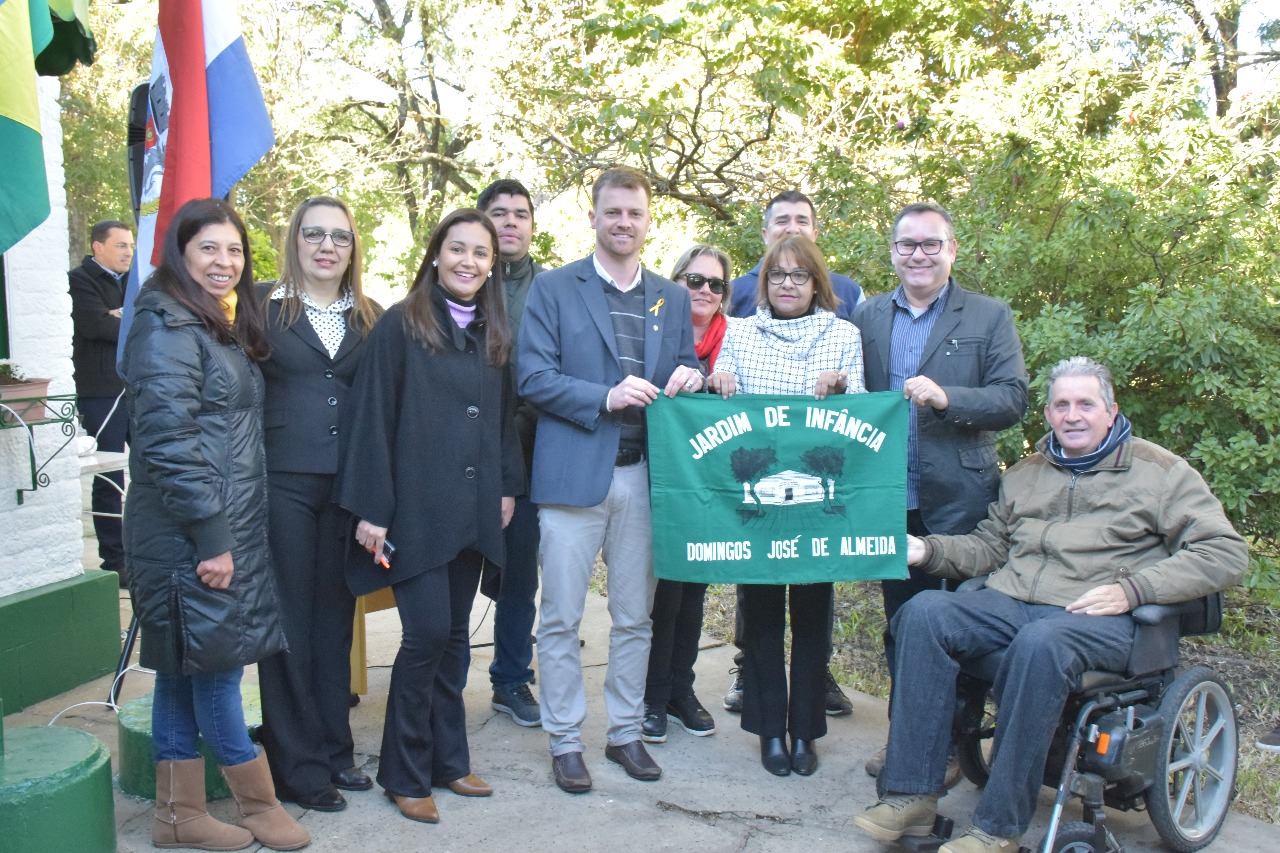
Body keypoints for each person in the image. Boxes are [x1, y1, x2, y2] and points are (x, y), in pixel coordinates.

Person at [853, 357, 1247, 853]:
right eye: (1061, 405)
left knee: (1041, 643)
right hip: (1016, 602)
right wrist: (928, 550)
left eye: (1086, 404)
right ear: (1047, 414)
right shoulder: (1026, 473)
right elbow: (989, 548)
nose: (1073, 415)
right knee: (924, 613)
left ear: (1111, 411)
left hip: (1103, 615)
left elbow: (1226, 552)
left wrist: (1136, 589)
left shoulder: (1161, 473)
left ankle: (998, 829)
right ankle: (910, 794)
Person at [121, 198, 309, 851]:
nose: (224, 262)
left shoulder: (201, 322)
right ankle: (258, 803)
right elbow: (171, 445)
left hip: (207, 530)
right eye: (209, 249)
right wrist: (212, 539)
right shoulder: (168, 330)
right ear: (181, 253)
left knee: (182, 666)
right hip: (190, 538)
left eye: (234, 251)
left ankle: (179, 816)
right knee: (220, 670)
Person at [518, 166, 702, 794]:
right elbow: (533, 378)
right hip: (573, 476)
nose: (624, 222)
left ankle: (624, 732)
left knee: (634, 618)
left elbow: (684, 365)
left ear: (649, 222)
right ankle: (565, 740)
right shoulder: (553, 288)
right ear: (593, 217)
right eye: (613, 212)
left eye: (635, 213)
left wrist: (692, 378)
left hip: (647, 477)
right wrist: (606, 395)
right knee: (561, 618)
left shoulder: (670, 297)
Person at [336, 209, 524, 824]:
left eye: (481, 252)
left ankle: (449, 759)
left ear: (493, 264)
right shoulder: (401, 324)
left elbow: (502, 420)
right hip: (413, 512)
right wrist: (371, 510)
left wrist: (504, 489)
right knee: (423, 638)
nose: (469, 261)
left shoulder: (494, 330)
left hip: (472, 512)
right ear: (437, 255)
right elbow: (370, 420)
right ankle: (404, 771)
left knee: (451, 644)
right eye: (458, 249)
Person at [851, 202, 1027, 778]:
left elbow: (1012, 399)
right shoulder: (868, 316)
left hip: (960, 501)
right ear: (893, 252)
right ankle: (908, 737)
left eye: (930, 244)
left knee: (959, 624)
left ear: (952, 249)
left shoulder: (987, 316)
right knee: (902, 624)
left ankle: (953, 743)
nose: (918, 255)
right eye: (906, 245)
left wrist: (949, 398)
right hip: (886, 497)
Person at [707, 234, 866, 776]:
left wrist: (843, 387)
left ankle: (806, 733)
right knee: (764, 618)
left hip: (815, 503)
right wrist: (718, 381)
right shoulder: (740, 333)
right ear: (763, 284)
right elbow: (719, 413)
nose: (788, 284)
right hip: (763, 504)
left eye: (800, 275)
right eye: (778, 275)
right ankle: (770, 731)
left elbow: (864, 420)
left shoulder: (843, 334)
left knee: (813, 617)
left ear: (816, 282)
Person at [256, 197, 382, 812]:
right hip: (282, 484)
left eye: (339, 236)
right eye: (314, 234)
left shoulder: (371, 318)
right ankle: (295, 765)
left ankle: (334, 749)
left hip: (346, 491)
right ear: (295, 241)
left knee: (334, 625)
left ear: (352, 247)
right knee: (289, 627)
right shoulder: (260, 308)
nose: (326, 246)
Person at [641, 244, 733, 745]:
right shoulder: (653, 330)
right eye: (694, 280)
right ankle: (652, 696)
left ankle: (682, 689)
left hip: (713, 484)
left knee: (693, 588)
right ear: (675, 282)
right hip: (658, 476)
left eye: (715, 284)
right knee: (662, 592)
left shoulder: (736, 340)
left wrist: (725, 383)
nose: (703, 291)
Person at [477, 178, 545, 727]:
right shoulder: (458, 278)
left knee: (519, 573)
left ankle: (511, 678)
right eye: (499, 213)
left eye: (520, 214)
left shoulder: (553, 289)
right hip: (460, 446)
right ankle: (440, 676)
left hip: (527, 448)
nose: (510, 223)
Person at [70, 219, 135, 583]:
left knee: (152, 466)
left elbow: (140, 322)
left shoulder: (132, 283)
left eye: (130, 245)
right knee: (110, 474)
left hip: (136, 388)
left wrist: (123, 316)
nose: (128, 252)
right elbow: (96, 326)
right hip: (101, 391)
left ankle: (148, 548)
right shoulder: (80, 280)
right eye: (121, 245)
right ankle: (115, 559)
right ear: (98, 247)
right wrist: (122, 319)